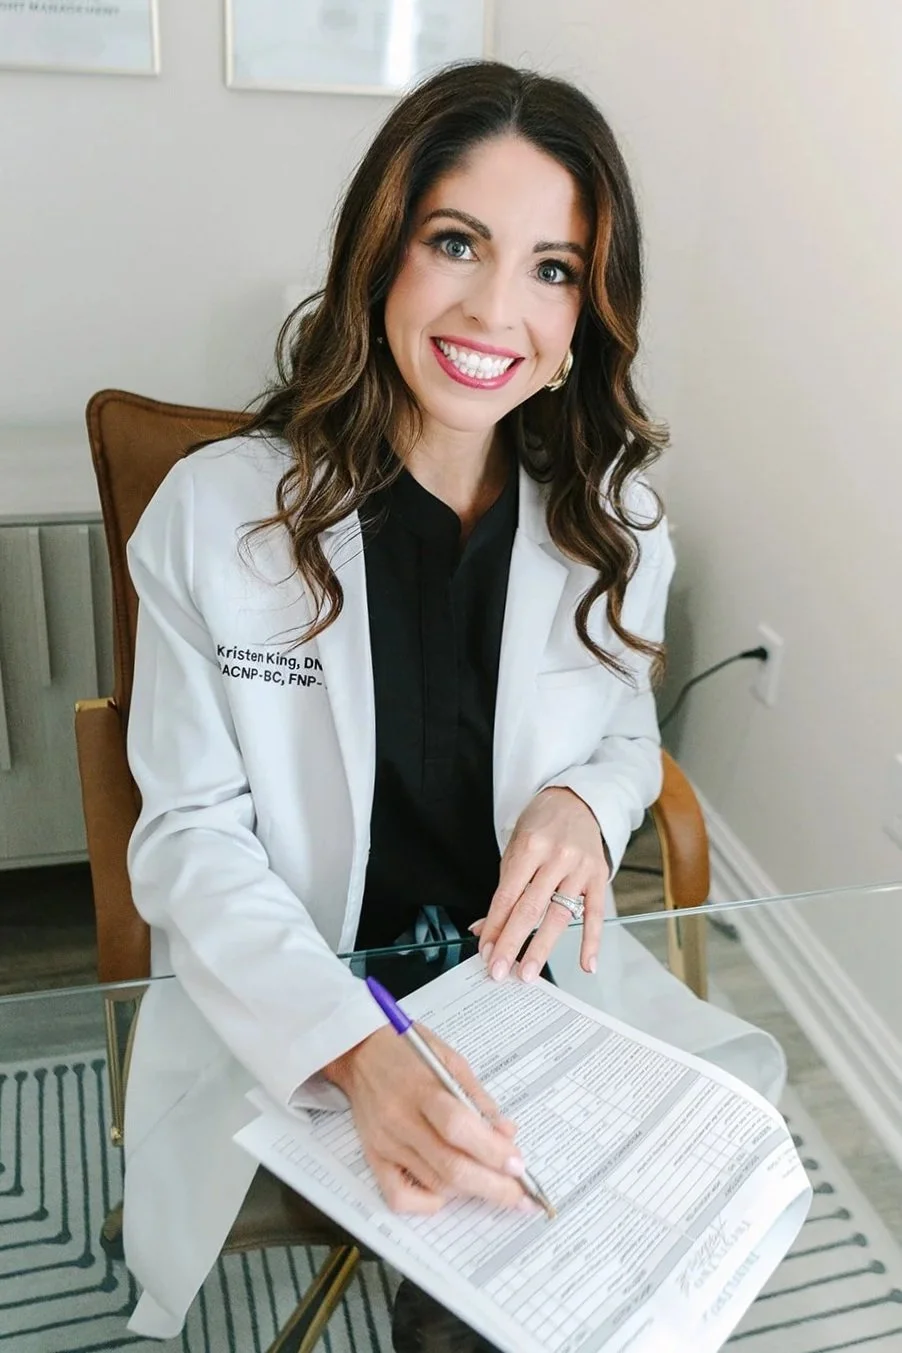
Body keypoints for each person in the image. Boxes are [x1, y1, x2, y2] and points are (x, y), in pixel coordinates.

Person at [121, 59, 675, 1340]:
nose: (495, 307)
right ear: (381, 254)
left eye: (551, 267)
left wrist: (586, 805)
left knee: (608, 1258)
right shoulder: (219, 517)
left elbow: (628, 732)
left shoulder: (619, 524)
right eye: (455, 243)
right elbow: (188, 841)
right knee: (490, 1272)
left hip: (522, 992)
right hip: (305, 995)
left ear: (586, 311)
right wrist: (355, 1054)